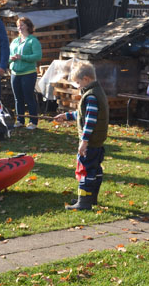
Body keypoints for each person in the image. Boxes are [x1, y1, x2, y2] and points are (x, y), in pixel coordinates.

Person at [54, 62, 108, 210]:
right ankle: (91, 198)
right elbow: (83, 114)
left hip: (90, 142)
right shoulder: (97, 91)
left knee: (85, 170)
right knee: (95, 170)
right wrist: (66, 116)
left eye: (78, 83)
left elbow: (90, 121)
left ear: (86, 79)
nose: (77, 86)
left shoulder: (90, 96)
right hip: (97, 142)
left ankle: (83, 203)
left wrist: (84, 142)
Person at [9, 17, 42, 130]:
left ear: (28, 26)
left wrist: (23, 57)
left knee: (29, 97)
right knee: (18, 98)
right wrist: (11, 58)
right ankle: (20, 120)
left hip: (28, 73)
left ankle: (33, 121)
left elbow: (38, 56)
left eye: (22, 25)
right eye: (18, 25)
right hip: (15, 73)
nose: (19, 27)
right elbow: (7, 57)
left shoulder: (33, 40)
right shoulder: (14, 41)